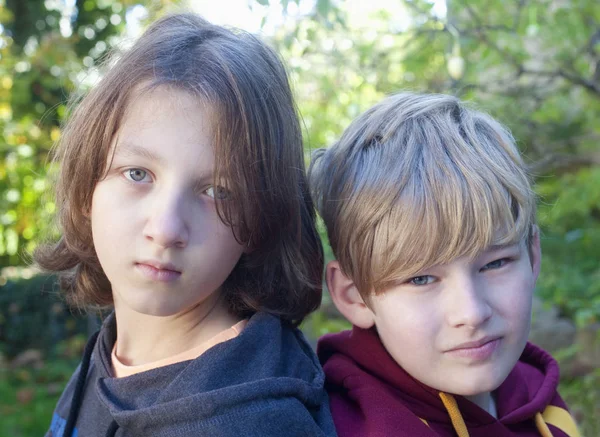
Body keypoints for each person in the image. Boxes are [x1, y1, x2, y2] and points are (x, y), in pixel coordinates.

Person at [37, 12, 336, 437]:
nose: (166, 229)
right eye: (137, 174)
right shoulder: (118, 350)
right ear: (88, 188)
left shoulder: (253, 423)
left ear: (261, 219)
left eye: (218, 191)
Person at [310, 92, 580, 437]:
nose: (471, 313)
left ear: (533, 256)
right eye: (421, 278)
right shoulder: (336, 426)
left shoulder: (542, 401)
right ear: (355, 296)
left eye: (495, 263)